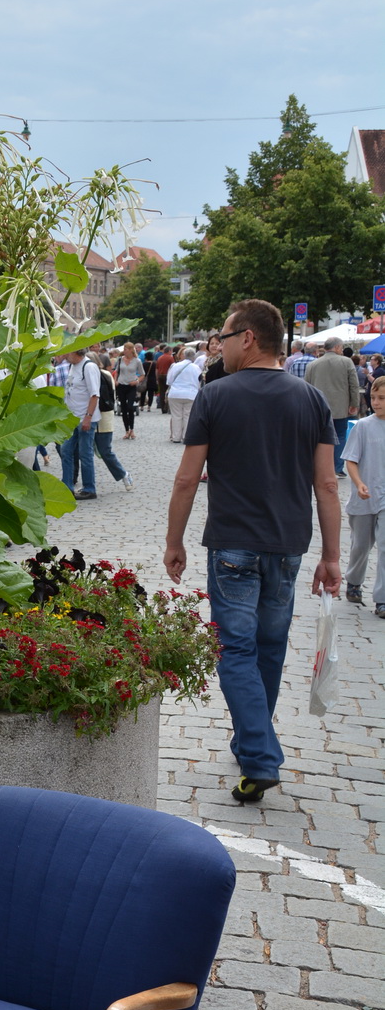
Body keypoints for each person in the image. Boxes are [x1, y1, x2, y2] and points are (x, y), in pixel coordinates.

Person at [164, 298, 340, 805]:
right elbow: (327, 485)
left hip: (232, 545)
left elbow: (186, 480)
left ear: (248, 338)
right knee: (269, 647)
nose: (217, 346)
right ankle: (251, 742)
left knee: (235, 649)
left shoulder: (216, 396)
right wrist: (331, 556)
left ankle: (260, 756)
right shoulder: (311, 400)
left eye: (223, 336)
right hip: (287, 546)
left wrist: (174, 541)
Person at [341, 374, 385, 614]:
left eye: (382, 398)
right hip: (364, 496)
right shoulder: (363, 427)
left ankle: (382, 599)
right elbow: (351, 460)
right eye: (374, 397)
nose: (376, 402)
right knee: (361, 546)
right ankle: (354, 581)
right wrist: (358, 483)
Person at [306, 339, 361, 477]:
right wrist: (354, 403)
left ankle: (319, 466)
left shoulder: (313, 364)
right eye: (341, 347)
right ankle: (337, 467)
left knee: (319, 437)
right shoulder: (346, 362)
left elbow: (307, 386)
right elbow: (354, 385)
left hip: (318, 408)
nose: (341, 350)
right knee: (340, 436)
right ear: (337, 347)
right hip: (340, 407)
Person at [58, 347, 100, 499]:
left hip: (84, 418)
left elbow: (94, 395)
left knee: (85, 454)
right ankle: (67, 486)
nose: (65, 355)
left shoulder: (88, 367)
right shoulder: (73, 366)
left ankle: (89, 488)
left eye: (68, 351)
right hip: (72, 418)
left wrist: (88, 417)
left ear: (75, 352)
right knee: (66, 451)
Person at [95, 355, 133, 490]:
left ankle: (123, 474)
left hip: (102, 418)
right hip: (93, 418)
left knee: (105, 451)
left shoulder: (104, 375)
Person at [166, 346, 202, 442]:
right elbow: (199, 382)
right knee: (188, 415)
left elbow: (169, 381)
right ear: (194, 356)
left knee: (176, 416)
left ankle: (176, 437)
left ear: (184, 355)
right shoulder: (196, 368)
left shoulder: (175, 366)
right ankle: (186, 436)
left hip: (175, 393)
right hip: (191, 394)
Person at [114, 341, 144, 438]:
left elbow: (142, 375)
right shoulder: (120, 359)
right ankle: (126, 430)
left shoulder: (137, 361)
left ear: (131, 350)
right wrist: (115, 381)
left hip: (131, 386)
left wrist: (137, 381)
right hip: (121, 385)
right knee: (123, 408)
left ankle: (132, 429)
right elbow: (117, 371)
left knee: (130, 407)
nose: (124, 351)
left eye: (125, 349)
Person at [154, 344, 174, 414]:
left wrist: (157, 378)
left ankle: (163, 408)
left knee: (162, 392)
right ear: (169, 351)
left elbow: (157, 369)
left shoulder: (160, 358)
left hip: (160, 376)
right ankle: (168, 407)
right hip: (167, 376)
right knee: (169, 391)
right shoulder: (170, 358)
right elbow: (173, 367)